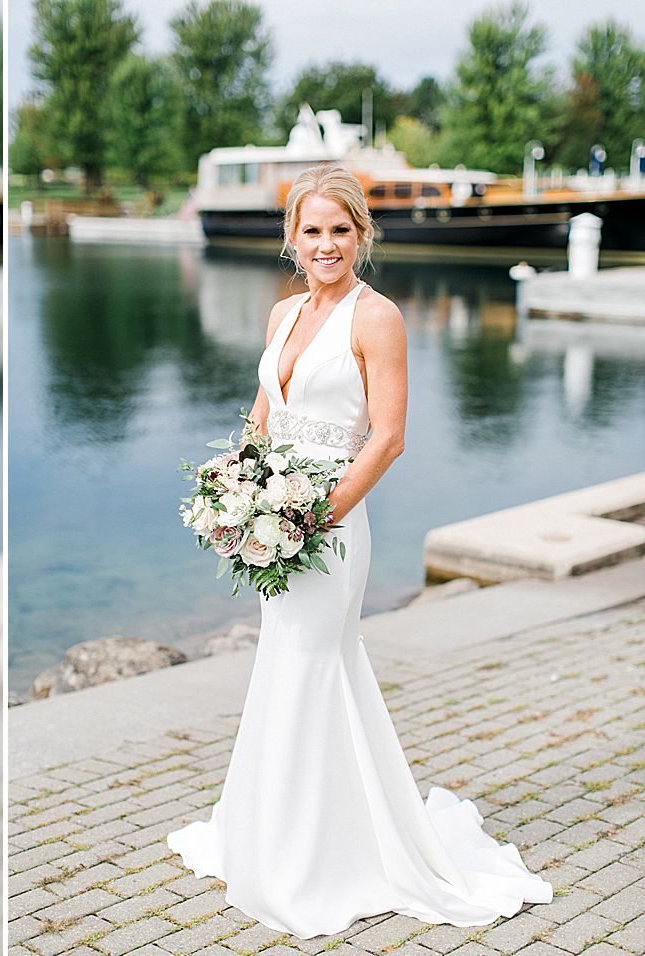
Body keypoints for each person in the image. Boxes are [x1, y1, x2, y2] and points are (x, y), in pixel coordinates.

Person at [166, 164, 551, 937]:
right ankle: (278, 835)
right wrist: (234, 489)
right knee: (290, 667)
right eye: (312, 230)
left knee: (311, 666)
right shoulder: (283, 315)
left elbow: (389, 438)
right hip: (273, 521)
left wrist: (317, 518)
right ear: (293, 240)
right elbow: (265, 409)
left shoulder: (377, 319)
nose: (326, 244)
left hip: (331, 529)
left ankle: (316, 860)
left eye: (341, 229)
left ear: (362, 234)